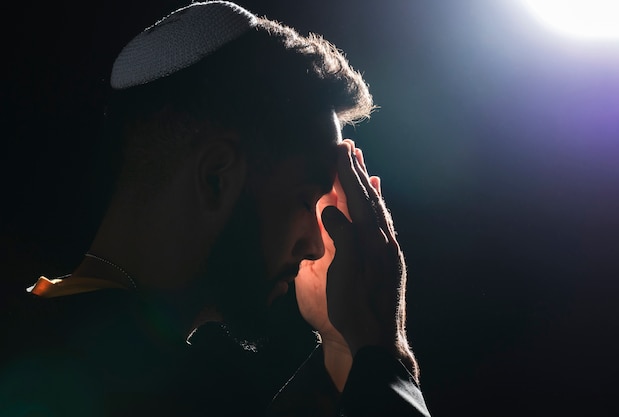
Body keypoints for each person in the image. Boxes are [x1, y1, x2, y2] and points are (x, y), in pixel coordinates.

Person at [0, 2, 431, 416]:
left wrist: (343, 345)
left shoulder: (51, 342)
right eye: (304, 200)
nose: (318, 249)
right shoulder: (156, 394)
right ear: (216, 178)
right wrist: (381, 346)